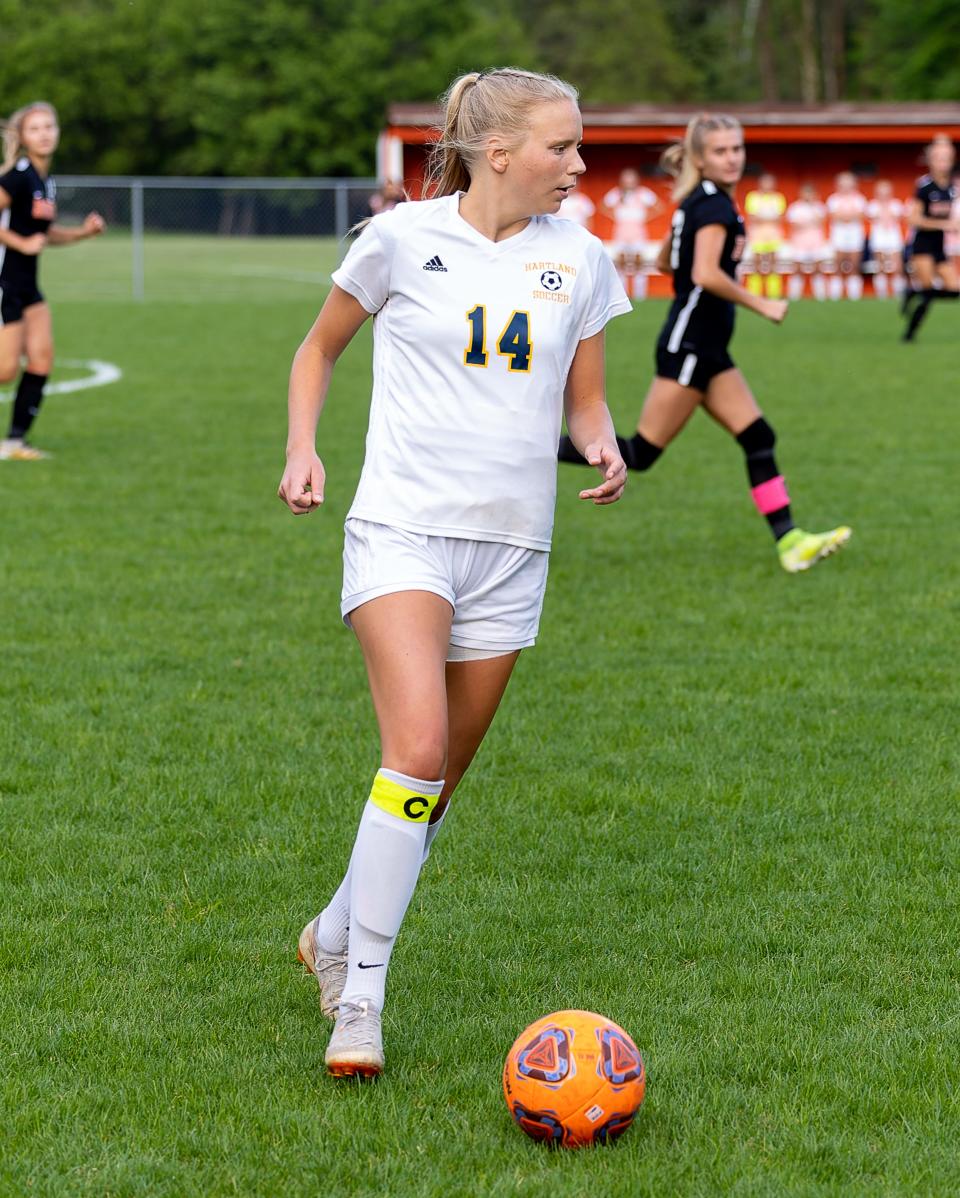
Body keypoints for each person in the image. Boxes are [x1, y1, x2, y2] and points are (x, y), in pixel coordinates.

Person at [278, 67, 631, 1078]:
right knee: (418, 746)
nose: (579, 163)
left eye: (578, 144)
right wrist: (304, 445)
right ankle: (361, 998)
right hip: (402, 530)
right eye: (562, 146)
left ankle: (334, 928)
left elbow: (585, 399)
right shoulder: (399, 237)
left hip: (513, 546)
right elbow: (317, 350)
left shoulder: (587, 260)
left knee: (434, 782)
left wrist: (602, 445)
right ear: (498, 151)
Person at [558, 113, 851, 574]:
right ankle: (528, 444)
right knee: (639, 453)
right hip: (691, 346)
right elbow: (703, 273)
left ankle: (790, 542)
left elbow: (665, 261)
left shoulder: (702, 200)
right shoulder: (711, 206)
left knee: (758, 436)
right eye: (720, 151)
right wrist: (762, 303)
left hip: (709, 348)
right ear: (699, 157)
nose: (732, 158)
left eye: (736, 149)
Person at [0, 102, 105, 461]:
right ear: (23, 137)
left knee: (42, 358)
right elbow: (21, 236)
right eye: (35, 128)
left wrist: (83, 233)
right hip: (5, 284)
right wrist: (20, 243)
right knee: (4, 370)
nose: (44, 133)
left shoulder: (45, 181)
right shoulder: (17, 175)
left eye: (49, 126)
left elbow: (44, 235)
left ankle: (15, 443)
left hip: (29, 286)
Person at [901, 136, 959, 342]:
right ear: (932, 161)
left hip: (939, 246)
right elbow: (913, 218)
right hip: (922, 245)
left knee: (954, 290)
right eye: (939, 159)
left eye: (947, 159)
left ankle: (912, 293)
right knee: (928, 293)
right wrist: (944, 225)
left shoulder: (951, 188)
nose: (943, 164)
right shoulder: (925, 186)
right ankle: (909, 335)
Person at [602, 167, 660, 299]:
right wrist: (615, 216)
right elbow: (603, 206)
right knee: (621, 263)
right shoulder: (616, 194)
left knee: (639, 262)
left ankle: (640, 296)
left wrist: (645, 217)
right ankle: (623, 295)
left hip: (638, 232)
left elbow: (658, 206)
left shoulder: (643, 193)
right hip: (621, 232)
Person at [743, 172, 786, 298]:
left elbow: (780, 218)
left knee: (773, 263)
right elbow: (752, 218)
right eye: (765, 182)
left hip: (773, 235)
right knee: (756, 263)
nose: (767, 185)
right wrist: (769, 218)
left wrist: (763, 217)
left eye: (770, 182)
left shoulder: (778, 198)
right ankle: (754, 293)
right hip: (757, 235)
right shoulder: (752, 197)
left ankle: (773, 293)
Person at [826, 172, 867, 300]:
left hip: (855, 234)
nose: (846, 187)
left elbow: (861, 215)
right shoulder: (833, 199)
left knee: (854, 265)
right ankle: (835, 295)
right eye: (843, 184)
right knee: (838, 264)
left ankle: (854, 296)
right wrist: (849, 216)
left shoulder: (860, 199)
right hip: (839, 234)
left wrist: (845, 216)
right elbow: (833, 215)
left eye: (848, 184)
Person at [784, 182, 828, 300]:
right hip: (799, 243)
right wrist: (809, 222)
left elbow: (821, 220)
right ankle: (794, 297)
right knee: (798, 269)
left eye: (810, 193)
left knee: (817, 269)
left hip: (816, 242)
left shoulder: (819, 207)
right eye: (806, 193)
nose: (808, 195)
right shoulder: (795, 208)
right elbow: (795, 225)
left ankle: (820, 297)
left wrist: (807, 219)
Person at [866, 179, 905, 300]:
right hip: (879, 237)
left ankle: (898, 293)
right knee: (880, 266)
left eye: (886, 192)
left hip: (893, 237)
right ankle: (881, 294)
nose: (884, 195)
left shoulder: (896, 204)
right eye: (881, 192)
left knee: (897, 266)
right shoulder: (872, 205)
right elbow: (873, 216)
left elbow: (898, 216)